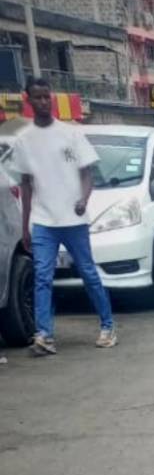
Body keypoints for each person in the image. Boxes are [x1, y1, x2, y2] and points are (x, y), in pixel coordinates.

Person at [14, 78, 116, 355]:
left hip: (73, 219)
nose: (44, 102)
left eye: (47, 97)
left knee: (88, 273)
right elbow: (25, 183)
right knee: (42, 277)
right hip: (44, 220)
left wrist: (84, 199)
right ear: (29, 101)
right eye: (38, 97)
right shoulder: (24, 140)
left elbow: (87, 174)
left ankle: (107, 326)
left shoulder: (70, 134)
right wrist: (25, 226)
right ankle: (44, 335)